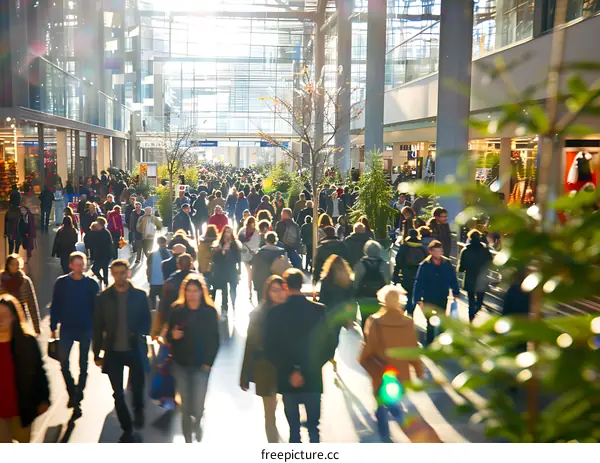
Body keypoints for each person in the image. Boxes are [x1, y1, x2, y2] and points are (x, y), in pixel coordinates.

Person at [264, 269, 335, 443]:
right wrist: (310, 367)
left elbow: (269, 347)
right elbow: (330, 344)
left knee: (293, 429)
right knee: (313, 427)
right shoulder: (319, 311)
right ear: (302, 284)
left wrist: (291, 370)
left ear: (285, 286)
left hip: (287, 378)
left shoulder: (275, 314)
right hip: (312, 377)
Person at [359, 286, 434, 443]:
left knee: (381, 408)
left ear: (384, 301)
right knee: (396, 406)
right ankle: (411, 436)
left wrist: (363, 357)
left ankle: (386, 439)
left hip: (381, 374)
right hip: (400, 375)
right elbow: (413, 350)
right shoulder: (407, 323)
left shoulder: (375, 322)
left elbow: (369, 350)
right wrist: (419, 370)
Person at [93, 260, 151, 443]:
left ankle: (139, 409)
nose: (119, 276)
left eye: (122, 272)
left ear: (128, 273)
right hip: (113, 352)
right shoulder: (103, 298)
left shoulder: (140, 296)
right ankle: (127, 426)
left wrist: (138, 332)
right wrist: (96, 352)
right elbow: (97, 326)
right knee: (117, 392)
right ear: (112, 275)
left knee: (138, 386)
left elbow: (147, 321)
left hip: (134, 348)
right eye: (115, 273)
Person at [167, 274, 220, 443]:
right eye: (188, 291)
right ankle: (187, 438)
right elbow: (168, 333)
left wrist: (208, 363)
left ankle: (197, 421)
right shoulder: (177, 310)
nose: (191, 294)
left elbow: (215, 339)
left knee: (197, 403)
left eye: (195, 291)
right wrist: (172, 335)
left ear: (201, 292)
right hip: (181, 363)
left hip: (201, 365)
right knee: (185, 404)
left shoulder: (209, 312)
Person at [50, 252, 100, 412]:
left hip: (86, 328)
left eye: (82, 264)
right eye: (77, 264)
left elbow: (97, 308)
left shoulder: (92, 284)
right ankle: (72, 391)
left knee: (83, 365)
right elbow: (55, 305)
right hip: (67, 328)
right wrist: (52, 326)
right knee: (63, 364)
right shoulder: (61, 283)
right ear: (70, 265)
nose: (80, 267)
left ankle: (78, 395)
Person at [240, 276, 286, 443]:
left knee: (280, 407)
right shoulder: (259, 314)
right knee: (270, 414)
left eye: (281, 289)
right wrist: (244, 375)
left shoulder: (289, 313)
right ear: (267, 292)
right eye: (274, 290)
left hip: (284, 367)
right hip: (265, 367)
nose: (278, 293)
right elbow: (250, 344)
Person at [0, 294, 50, 443]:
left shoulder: (27, 342)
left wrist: (44, 398)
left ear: (14, 317)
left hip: (21, 408)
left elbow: (39, 372)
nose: (0, 320)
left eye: (5, 316)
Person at [413, 240, 460, 345]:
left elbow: (452, 278)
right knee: (430, 321)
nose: (438, 253)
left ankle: (439, 342)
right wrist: (417, 299)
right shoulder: (425, 264)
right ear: (430, 252)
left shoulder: (446, 263)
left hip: (442, 296)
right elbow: (419, 282)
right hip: (428, 296)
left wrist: (456, 292)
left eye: (440, 251)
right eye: (435, 251)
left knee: (441, 320)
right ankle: (430, 343)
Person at [318, 255, 355, 372]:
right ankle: (331, 355)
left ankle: (328, 356)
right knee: (335, 336)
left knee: (328, 334)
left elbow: (322, 298)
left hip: (328, 312)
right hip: (341, 313)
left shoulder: (326, 280)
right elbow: (351, 300)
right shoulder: (347, 280)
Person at [353, 240, 392, 332]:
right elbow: (388, 281)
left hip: (364, 296)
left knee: (365, 318)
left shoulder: (360, 264)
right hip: (379, 297)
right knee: (378, 319)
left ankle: (366, 338)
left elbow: (356, 281)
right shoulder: (384, 264)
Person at [0, 255, 41, 336]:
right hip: (3, 318)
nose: (15, 267)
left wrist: (36, 327)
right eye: (12, 264)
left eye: (17, 264)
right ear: (7, 265)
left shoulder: (25, 281)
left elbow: (32, 304)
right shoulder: (1, 280)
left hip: (21, 319)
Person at [458, 230, 493, 322]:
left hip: (470, 277)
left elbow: (462, 267)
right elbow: (490, 262)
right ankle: (476, 309)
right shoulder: (485, 250)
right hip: (482, 278)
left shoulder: (466, 250)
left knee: (471, 300)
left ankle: (471, 319)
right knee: (480, 300)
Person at [393, 229, 428, 316]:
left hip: (406, 272)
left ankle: (404, 311)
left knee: (407, 293)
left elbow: (398, 261)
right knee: (413, 294)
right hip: (418, 273)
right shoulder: (422, 247)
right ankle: (410, 312)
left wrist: (396, 275)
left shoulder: (404, 246)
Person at [212, 225, 241, 316]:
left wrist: (239, 272)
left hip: (232, 269)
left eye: (229, 232)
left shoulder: (235, 244)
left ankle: (233, 304)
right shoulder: (219, 244)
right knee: (224, 291)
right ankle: (224, 308)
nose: (227, 234)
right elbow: (215, 259)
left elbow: (238, 259)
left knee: (233, 289)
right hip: (222, 270)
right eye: (226, 232)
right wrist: (222, 251)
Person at [251, 232, 288, 301]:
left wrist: (255, 285)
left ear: (266, 241)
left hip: (262, 283)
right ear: (275, 241)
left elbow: (254, 270)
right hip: (278, 283)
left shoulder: (259, 253)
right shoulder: (282, 253)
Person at [147, 236, 171, 313]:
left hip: (154, 281)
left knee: (152, 299)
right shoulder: (170, 253)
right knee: (164, 302)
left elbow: (149, 268)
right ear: (166, 242)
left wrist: (149, 278)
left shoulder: (152, 254)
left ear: (157, 243)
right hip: (165, 282)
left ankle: (152, 315)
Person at [238, 216, 261, 299]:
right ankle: (250, 292)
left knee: (251, 274)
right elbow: (239, 242)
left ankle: (251, 290)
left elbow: (257, 243)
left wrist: (253, 250)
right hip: (246, 255)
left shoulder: (256, 232)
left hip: (253, 255)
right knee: (249, 274)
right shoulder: (243, 231)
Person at [90, 217, 114, 287]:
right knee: (104, 269)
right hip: (104, 255)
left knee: (95, 269)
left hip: (102, 255)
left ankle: (103, 280)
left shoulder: (103, 233)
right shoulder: (103, 232)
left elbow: (101, 244)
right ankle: (105, 281)